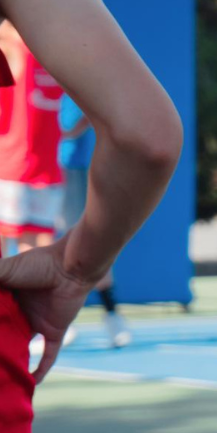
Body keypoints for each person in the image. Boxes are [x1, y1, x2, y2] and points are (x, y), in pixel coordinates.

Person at [0, 0, 183, 433]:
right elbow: (146, 136)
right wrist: (76, 268)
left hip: (43, 167)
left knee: (27, 243)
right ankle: (106, 306)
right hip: (21, 172)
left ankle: (112, 312)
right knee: (32, 250)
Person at [59, 95, 132, 348]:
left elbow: (94, 110)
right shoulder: (27, 76)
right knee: (39, 243)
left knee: (86, 245)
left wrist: (63, 134)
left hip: (70, 169)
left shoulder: (71, 76)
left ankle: (112, 315)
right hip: (33, 170)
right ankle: (59, 321)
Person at [0, 24, 65, 255]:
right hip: (45, 168)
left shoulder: (5, 51)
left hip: (7, 167)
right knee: (35, 247)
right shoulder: (55, 53)